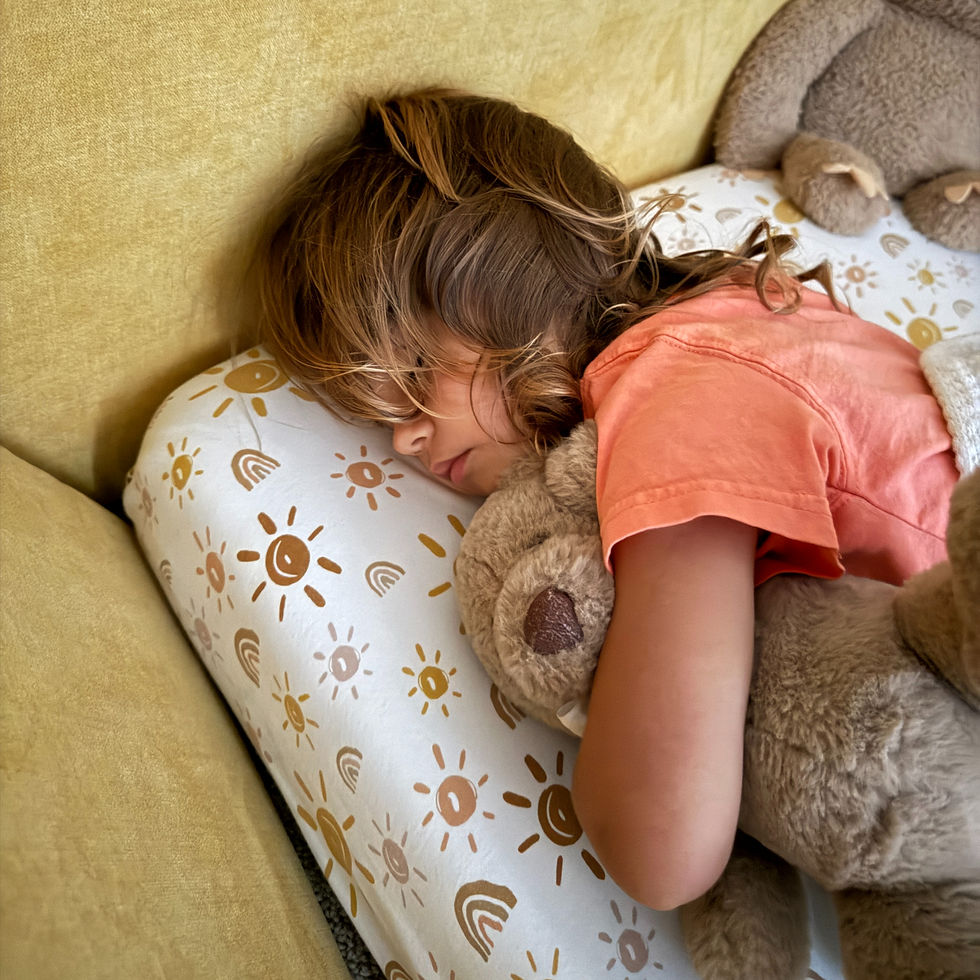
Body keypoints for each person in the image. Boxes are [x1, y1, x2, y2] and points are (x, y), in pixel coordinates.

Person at [253, 89, 958, 910]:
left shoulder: (675, 391)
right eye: (374, 419)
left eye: (413, 381)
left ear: (506, 277)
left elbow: (663, 844)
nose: (402, 441)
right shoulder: (753, 307)